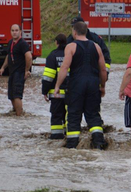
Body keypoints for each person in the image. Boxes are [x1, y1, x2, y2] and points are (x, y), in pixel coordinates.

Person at [54, 21, 108, 149]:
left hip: (76, 84)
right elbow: (103, 70)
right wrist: (103, 86)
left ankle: (72, 146)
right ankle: (99, 143)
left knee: (73, 114)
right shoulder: (96, 47)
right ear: (86, 31)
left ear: (74, 32)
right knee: (93, 114)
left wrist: (57, 86)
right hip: (93, 84)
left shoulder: (71, 46)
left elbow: (64, 67)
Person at [0, 24, 32, 116]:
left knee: (17, 95)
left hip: (20, 72)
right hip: (12, 72)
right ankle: (15, 114)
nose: (14, 32)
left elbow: (28, 57)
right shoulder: (10, 43)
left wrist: (26, 70)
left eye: (16, 30)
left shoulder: (23, 44)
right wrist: (3, 68)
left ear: (20, 31)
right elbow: (9, 56)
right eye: (12, 30)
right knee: (11, 95)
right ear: (10, 32)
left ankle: (19, 116)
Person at [42, 34, 67, 139]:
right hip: (71, 92)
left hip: (56, 93)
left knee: (56, 114)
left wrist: (44, 91)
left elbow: (48, 77)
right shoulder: (71, 54)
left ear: (56, 42)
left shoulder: (52, 56)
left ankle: (56, 136)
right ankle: (69, 134)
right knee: (69, 115)